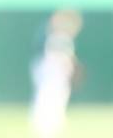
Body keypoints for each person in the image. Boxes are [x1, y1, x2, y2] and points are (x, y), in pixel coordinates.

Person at [30, 9, 83, 138]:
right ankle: (44, 123)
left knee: (55, 96)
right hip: (51, 72)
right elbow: (58, 57)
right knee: (49, 96)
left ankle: (50, 122)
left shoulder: (61, 37)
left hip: (52, 72)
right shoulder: (56, 37)